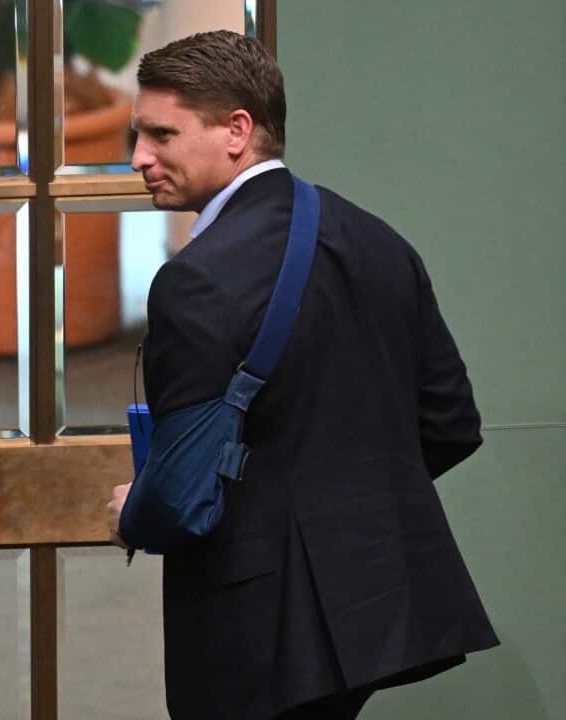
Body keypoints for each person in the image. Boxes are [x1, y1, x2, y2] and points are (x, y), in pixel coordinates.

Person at [104, 30, 498, 720]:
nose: (139, 158)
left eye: (161, 135)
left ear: (237, 131)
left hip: (258, 623)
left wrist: (132, 511)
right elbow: (450, 425)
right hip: (376, 603)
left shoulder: (195, 282)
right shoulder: (379, 240)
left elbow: (177, 498)